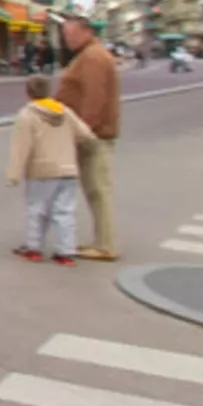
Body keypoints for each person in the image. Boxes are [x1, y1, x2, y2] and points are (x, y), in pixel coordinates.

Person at [7, 75, 95, 266]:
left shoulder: (27, 115)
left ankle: (34, 248)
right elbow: (86, 134)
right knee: (65, 211)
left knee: (37, 210)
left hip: (42, 170)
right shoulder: (64, 111)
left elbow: (21, 147)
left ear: (28, 93)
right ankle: (65, 251)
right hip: (68, 169)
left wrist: (14, 174)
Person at [55, 16, 122, 261]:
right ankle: (101, 242)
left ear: (84, 32)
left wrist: (82, 133)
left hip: (94, 135)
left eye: (69, 34)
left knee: (98, 190)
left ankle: (106, 245)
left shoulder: (93, 58)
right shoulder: (90, 55)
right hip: (94, 132)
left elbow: (94, 100)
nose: (66, 39)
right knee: (95, 190)